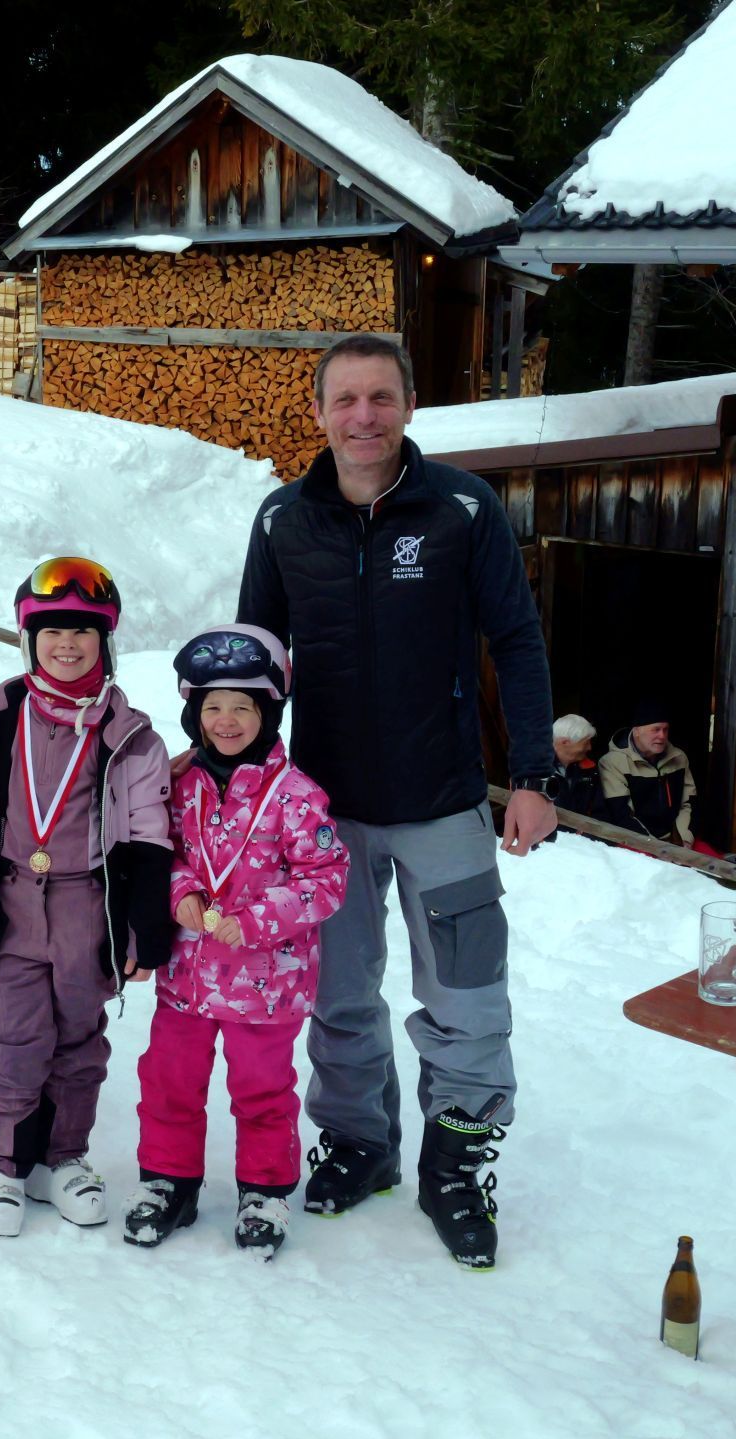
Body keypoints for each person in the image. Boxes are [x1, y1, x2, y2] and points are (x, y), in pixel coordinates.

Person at [236, 333, 556, 1270]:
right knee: (337, 991)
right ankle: (358, 1140)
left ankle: (456, 1162)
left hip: (443, 803)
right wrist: (236, 781)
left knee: (467, 993)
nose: (363, 416)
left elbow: (517, 639)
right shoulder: (282, 520)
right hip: (322, 813)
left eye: (381, 397)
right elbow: (257, 660)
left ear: (410, 405)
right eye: (345, 399)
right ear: (320, 412)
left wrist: (533, 775)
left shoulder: (463, 507)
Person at [0, 558, 174, 1238]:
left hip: (85, 908)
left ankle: (60, 1157)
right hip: (11, 899)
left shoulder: (130, 734)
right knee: (15, 1038)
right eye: (52, 632)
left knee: (78, 1039)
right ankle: (1, 1163)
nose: (67, 645)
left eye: (83, 633)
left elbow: (149, 840)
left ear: (106, 641)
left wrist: (141, 930)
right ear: (29, 639)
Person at [127, 625, 348, 1258]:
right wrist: (180, 892)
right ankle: (169, 1181)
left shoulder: (296, 797)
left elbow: (326, 879)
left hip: (266, 986)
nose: (226, 721)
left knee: (261, 1090)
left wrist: (255, 920)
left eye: (242, 707)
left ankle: (264, 1190)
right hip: (187, 978)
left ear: (268, 713)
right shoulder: (181, 786)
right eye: (213, 707)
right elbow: (166, 852)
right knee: (169, 1080)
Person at [599, 697, 696, 847]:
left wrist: (684, 840)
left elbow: (688, 804)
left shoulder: (678, 758)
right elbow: (622, 815)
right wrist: (655, 848)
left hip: (675, 841)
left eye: (665, 729)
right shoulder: (612, 763)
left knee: (713, 860)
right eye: (655, 730)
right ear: (636, 731)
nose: (662, 736)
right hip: (636, 842)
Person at [548, 713, 604, 821]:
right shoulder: (536, 770)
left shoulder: (590, 770)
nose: (589, 747)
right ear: (565, 742)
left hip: (583, 831)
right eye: (586, 743)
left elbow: (600, 812)